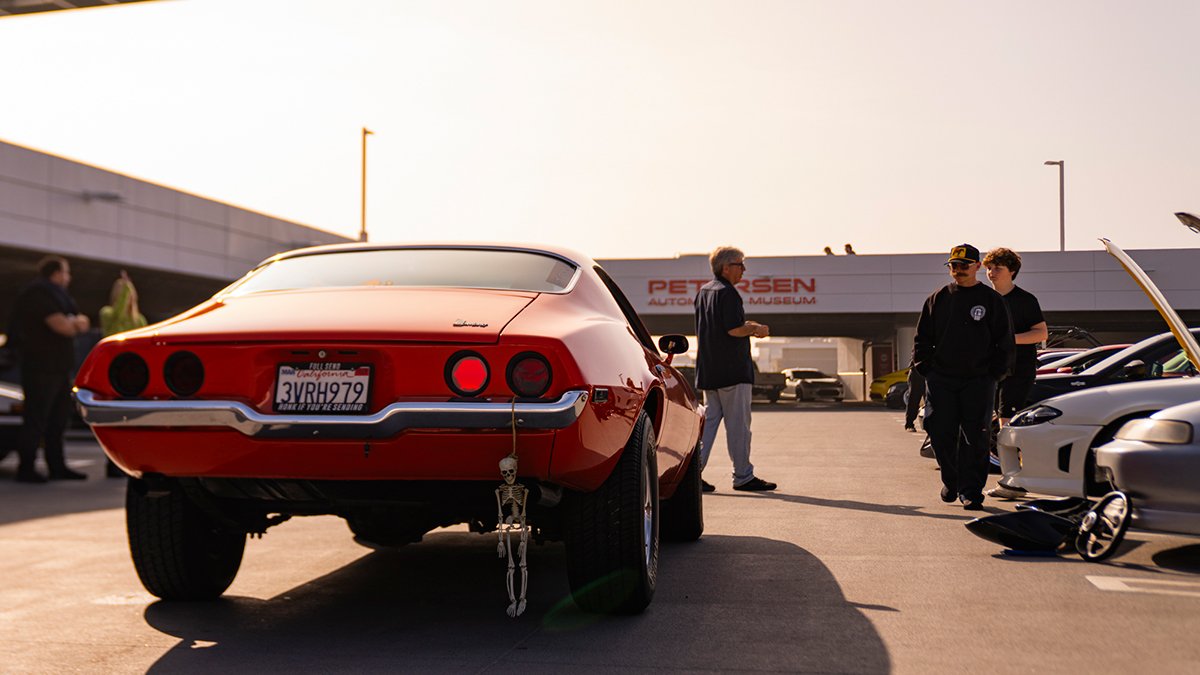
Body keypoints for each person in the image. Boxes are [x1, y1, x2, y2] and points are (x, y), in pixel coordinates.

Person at [913, 244, 1013, 510]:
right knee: (938, 430)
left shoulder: (992, 301)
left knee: (976, 437)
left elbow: (1004, 341)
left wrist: (995, 373)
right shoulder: (938, 298)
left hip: (978, 381)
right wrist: (927, 369)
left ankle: (971, 491)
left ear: (977, 267)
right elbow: (922, 339)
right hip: (942, 379)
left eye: (964, 265)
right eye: (953, 266)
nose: (957, 270)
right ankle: (952, 480)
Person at [694, 246, 777, 493]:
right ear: (726, 267)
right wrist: (755, 329)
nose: (744, 269)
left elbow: (720, 328)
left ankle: (690, 475)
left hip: (710, 371)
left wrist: (747, 325)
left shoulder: (704, 292)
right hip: (732, 371)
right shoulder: (728, 293)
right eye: (740, 264)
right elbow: (732, 329)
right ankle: (743, 476)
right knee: (739, 426)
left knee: (707, 426)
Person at [11, 256, 90, 483]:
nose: (69, 277)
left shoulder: (59, 296)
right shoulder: (38, 294)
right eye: (66, 272)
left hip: (59, 368)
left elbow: (82, 321)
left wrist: (73, 322)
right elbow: (64, 327)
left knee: (58, 420)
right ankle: (26, 468)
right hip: (40, 367)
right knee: (36, 419)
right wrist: (72, 322)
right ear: (56, 273)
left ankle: (57, 467)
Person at [982, 248, 1047, 500]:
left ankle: (1013, 482)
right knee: (999, 426)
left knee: (1008, 425)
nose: (991, 272)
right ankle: (1012, 479)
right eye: (989, 267)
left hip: (1018, 371)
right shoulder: (984, 299)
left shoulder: (1025, 300)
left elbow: (1041, 333)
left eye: (997, 267)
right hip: (987, 372)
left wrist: (1007, 340)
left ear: (1012, 271)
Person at [99, 270, 148, 477]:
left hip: (136, 376)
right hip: (114, 373)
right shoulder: (107, 313)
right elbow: (117, 319)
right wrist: (126, 288)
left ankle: (132, 461)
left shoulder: (140, 319)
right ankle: (112, 463)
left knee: (134, 421)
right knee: (114, 420)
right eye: (124, 293)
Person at [904, 364, 925, 432]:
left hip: (932, 371)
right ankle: (909, 424)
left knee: (931, 402)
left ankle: (932, 426)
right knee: (914, 400)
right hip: (917, 372)